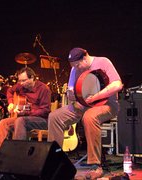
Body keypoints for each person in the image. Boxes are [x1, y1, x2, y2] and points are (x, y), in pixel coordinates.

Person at [48, 47, 123, 179]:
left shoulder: (103, 62)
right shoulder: (75, 69)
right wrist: (73, 98)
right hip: (83, 105)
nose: (76, 68)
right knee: (54, 117)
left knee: (89, 116)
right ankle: (54, 161)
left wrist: (96, 96)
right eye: (74, 66)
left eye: (78, 64)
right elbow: (71, 90)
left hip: (107, 104)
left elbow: (117, 85)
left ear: (85, 57)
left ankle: (95, 165)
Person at [0, 67, 51, 149]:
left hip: (42, 120)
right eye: (20, 81)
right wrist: (11, 103)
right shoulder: (21, 86)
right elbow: (9, 91)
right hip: (25, 118)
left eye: (24, 80)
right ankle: (2, 153)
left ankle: (19, 152)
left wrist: (26, 113)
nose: (21, 83)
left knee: (20, 120)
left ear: (32, 78)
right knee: (3, 123)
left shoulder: (44, 89)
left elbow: (45, 110)